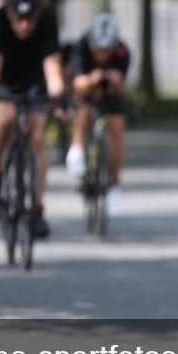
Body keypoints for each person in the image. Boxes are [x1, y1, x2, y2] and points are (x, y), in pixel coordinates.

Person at [0, 0, 67, 238]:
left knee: (37, 136)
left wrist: (60, 102)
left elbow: (53, 70)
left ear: (38, 14)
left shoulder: (48, 20)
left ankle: (37, 209)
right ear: (9, 14)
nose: (24, 25)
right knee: (5, 118)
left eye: (30, 19)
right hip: (6, 77)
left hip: (35, 78)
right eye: (18, 19)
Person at [64, 12, 130, 216]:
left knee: (116, 128)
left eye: (106, 51)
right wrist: (92, 79)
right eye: (98, 51)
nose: (102, 56)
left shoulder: (122, 52)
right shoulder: (81, 48)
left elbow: (121, 85)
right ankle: (76, 149)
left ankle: (114, 183)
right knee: (84, 106)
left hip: (110, 94)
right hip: (86, 89)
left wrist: (115, 79)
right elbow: (76, 82)